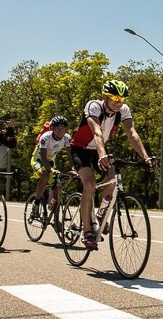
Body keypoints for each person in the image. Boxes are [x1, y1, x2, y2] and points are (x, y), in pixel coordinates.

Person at [69, 80, 155, 250]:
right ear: (105, 97)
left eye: (122, 99)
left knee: (113, 180)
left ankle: (101, 215)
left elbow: (131, 133)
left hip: (99, 149)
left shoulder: (122, 111)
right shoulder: (93, 106)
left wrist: (146, 157)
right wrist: (101, 154)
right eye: (115, 97)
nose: (118, 102)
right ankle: (87, 232)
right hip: (80, 149)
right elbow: (97, 132)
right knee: (89, 184)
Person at [29, 115, 72, 219]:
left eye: (63, 128)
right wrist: (51, 170)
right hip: (38, 160)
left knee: (57, 188)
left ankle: (56, 218)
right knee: (45, 176)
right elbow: (43, 158)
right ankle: (36, 202)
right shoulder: (46, 137)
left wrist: (74, 168)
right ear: (52, 128)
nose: (60, 131)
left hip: (51, 161)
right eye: (58, 128)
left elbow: (71, 156)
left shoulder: (67, 138)